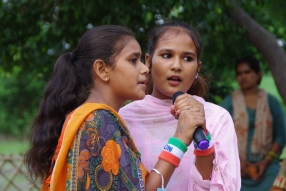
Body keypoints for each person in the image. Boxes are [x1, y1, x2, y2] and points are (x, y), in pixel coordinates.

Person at [24, 25, 204, 191]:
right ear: (102, 69)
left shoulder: (90, 117)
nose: (145, 69)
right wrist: (180, 139)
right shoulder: (100, 120)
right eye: (133, 60)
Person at [119, 21, 241, 190]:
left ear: (197, 68)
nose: (176, 66)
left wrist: (203, 143)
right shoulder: (125, 118)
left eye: (187, 58)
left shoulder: (217, 118)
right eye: (167, 55)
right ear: (148, 61)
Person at [220, 56, 286, 191]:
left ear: (258, 74)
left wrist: (266, 162)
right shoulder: (229, 102)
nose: (243, 76)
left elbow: (281, 136)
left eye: (247, 72)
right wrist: (238, 161)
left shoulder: (271, 102)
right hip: (233, 164)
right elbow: (219, 135)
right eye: (239, 74)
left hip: (267, 168)